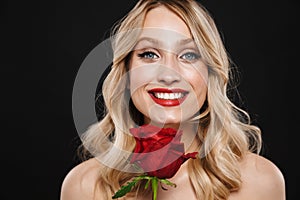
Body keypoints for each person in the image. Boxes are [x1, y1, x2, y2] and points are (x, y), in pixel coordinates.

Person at [60, 0, 286, 199]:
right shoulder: (83, 187)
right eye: (149, 54)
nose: (168, 75)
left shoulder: (261, 182)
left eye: (189, 55)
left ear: (210, 73)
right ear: (127, 71)